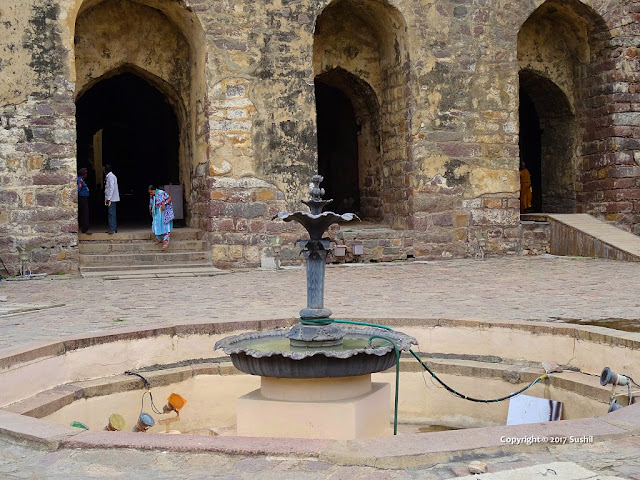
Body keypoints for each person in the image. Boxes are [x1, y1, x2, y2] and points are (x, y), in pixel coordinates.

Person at [104, 164, 120, 234]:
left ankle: (113, 229)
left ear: (106, 170)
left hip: (111, 199)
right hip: (111, 198)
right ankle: (112, 228)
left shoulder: (111, 177)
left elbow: (111, 188)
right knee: (111, 213)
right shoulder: (110, 176)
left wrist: (108, 198)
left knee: (111, 213)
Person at [77, 167, 91, 234]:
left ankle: (85, 228)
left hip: (84, 198)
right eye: (86, 174)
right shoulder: (80, 180)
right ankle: (84, 228)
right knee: (84, 213)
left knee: (85, 213)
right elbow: (78, 189)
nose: (87, 175)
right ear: (83, 174)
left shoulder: (82, 180)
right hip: (82, 198)